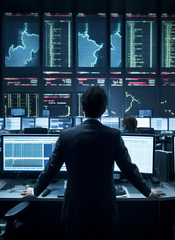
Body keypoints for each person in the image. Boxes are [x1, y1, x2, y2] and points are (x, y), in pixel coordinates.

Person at [21, 86, 165, 240]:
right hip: (104, 213)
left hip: (74, 213)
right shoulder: (113, 136)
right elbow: (129, 169)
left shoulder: (66, 136)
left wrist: (35, 191)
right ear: (103, 110)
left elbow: (51, 169)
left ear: (82, 108)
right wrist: (148, 192)